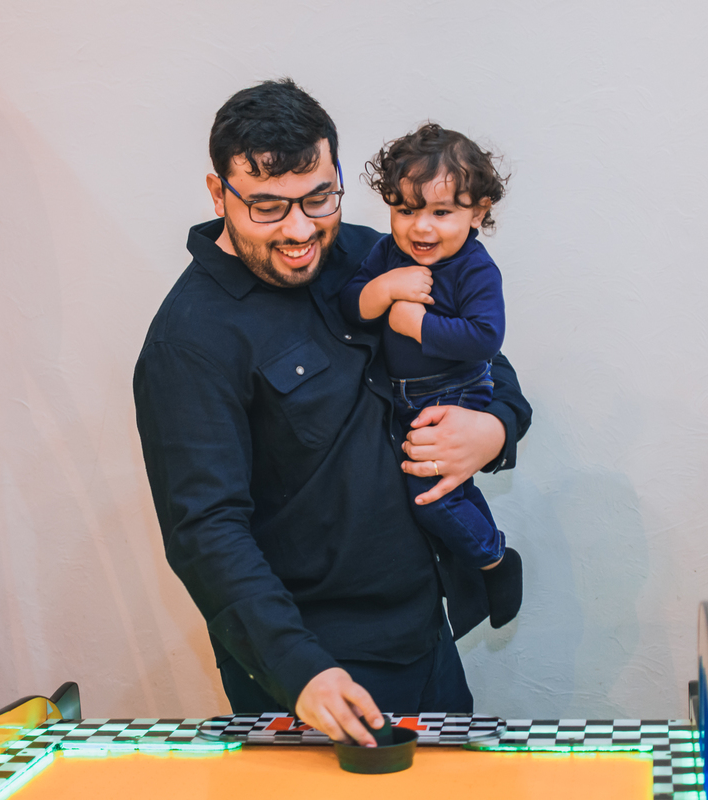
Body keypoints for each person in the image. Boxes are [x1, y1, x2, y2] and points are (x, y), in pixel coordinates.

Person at [133, 79, 531, 748]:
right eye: (266, 206)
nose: (299, 230)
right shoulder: (190, 341)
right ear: (218, 194)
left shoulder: (371, 254)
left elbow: (482, 359)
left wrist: (494, 429)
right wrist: (300, 670)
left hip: (425, 632)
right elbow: (205, 530)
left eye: (318, 199)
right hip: (321, 669)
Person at [340, 124, 523, 630]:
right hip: (402, 397)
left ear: (478, 212)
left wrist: (416, 324)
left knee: (431, 500)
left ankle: (494, 560)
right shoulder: (387, 255)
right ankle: (483, 555)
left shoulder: (475, 268)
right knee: (448, 489)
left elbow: (485, 338)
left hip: (455, 393)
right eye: (405, 210)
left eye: (441, 213)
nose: (420, 228)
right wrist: (384, 289)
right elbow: (351, 304)